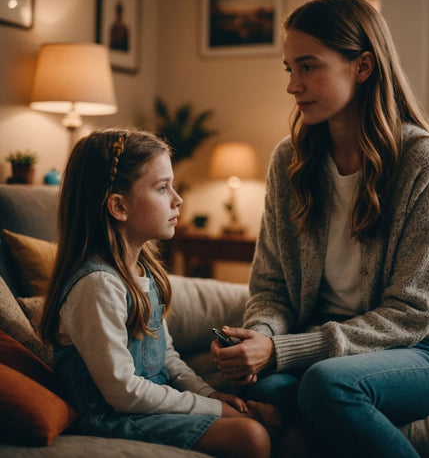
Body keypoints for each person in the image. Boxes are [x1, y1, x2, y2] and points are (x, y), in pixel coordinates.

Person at [211, 0, 429, 458]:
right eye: (289, 69)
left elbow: (410, 313)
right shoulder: (289, 161)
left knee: (327, 386)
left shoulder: (425, 162)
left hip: (425, 352)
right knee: (263, 396)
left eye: (308, 67)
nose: (293, 85)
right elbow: (270, 288)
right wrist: (262, 338)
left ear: (363, 66)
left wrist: (282, 352)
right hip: (324, 355)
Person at [40, 129, 278, 458]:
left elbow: (166, 357)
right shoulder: (97, 285)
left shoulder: (146, 273)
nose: (177, 199)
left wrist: (211, 395)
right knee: (251, 437)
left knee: (281, 426)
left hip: (151, 406)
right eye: (162, 188)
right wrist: (213, 410)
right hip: (113, 418)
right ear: (119, 206)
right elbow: (122, 392)